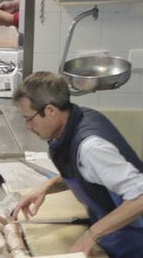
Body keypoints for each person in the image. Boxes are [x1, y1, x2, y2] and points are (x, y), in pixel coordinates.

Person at [13, 72, 143, 257]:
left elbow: (140, 197)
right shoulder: (76, 119)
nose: (28, 126)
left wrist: (92, 234)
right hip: (113, 234)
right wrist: (45, 188)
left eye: (29, 118)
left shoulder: (91, 147)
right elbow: (86, 170)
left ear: (50, 110)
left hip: (134, 242)